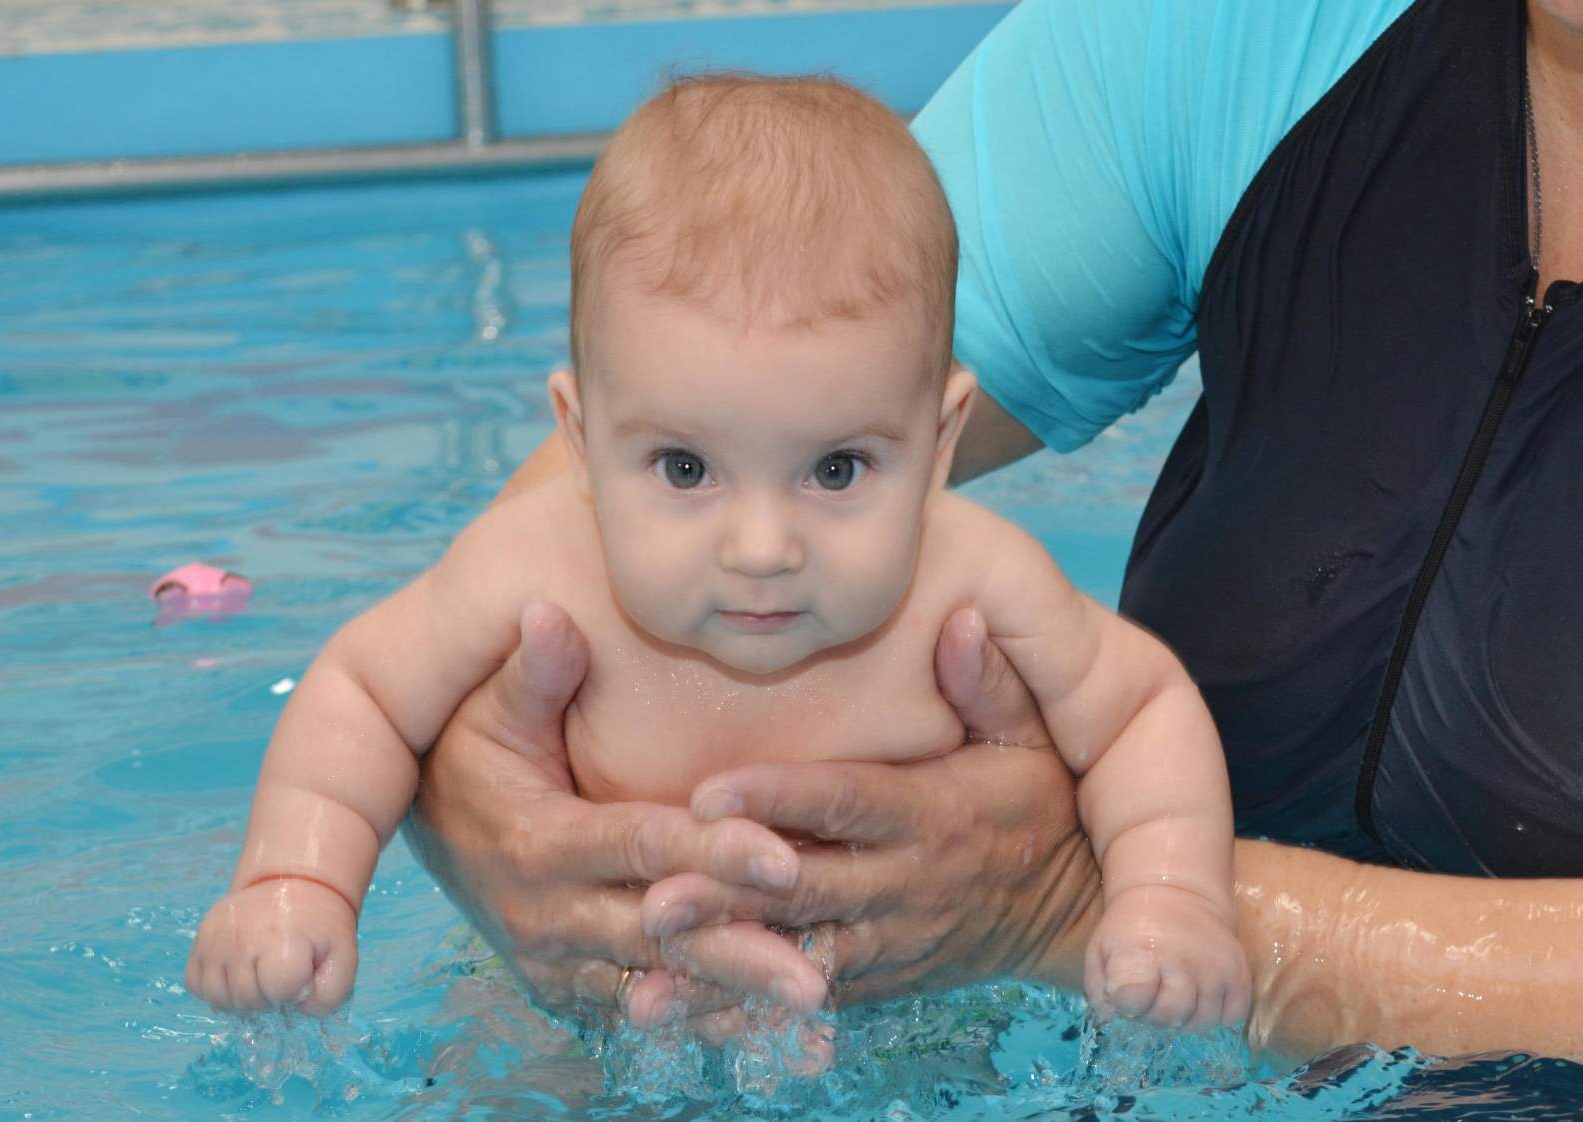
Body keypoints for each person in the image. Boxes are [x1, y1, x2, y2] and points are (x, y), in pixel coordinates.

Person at [405, 0, 1583, 1065]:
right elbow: (599, 495)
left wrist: (1072, 907)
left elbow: (1081, 877)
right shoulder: (1256, 32)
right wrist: (513, 832)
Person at [183, 75, 1250, 1031]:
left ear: (939, 441)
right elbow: (363, 695)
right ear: (581, 440)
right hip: (583, 1023)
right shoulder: (535, 564)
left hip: (905, 1023)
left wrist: (1169, 902)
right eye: (685, 469)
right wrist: (296, 885)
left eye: (836, 470)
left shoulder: (972, 578)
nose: (761, 547)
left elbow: (1141, 714)